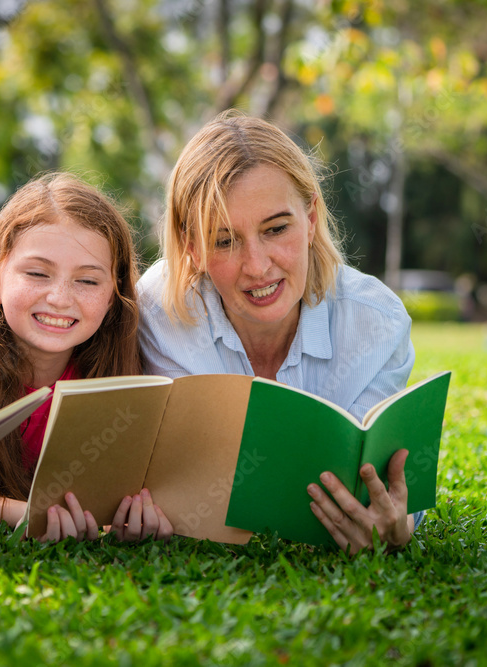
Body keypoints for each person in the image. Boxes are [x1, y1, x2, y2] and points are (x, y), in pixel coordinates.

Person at [137, 111, 419, 554]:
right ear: (191, 247)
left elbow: (383, 483)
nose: (258, 265)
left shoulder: (375, 322)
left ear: (310, 219)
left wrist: (394, 521)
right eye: (225, 240)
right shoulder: (158, 312)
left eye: (276, 229)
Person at [0, 173, 173, 542]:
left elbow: (110, 493)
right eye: (37, 273)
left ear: (113, 294)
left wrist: (132, 518)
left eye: (88, 281)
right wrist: (37, 516)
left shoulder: (109, 360)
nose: (60, 298)